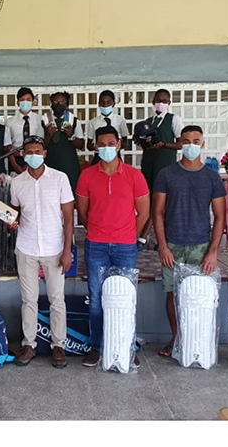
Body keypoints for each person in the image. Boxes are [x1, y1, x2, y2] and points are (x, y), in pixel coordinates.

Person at [76, 126, 150, 367]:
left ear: (119, 145)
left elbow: (144, 211)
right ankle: (96, 346)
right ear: (95, 146)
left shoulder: (134, 175)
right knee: (96, 298)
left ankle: (126, 347)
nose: (106, 148)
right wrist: (98, 229)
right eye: (101, 144)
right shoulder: (87, 175)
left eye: (111, 143)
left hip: (125, 247)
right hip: (96, 244)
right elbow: (83, 212)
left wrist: (130, 233)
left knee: (124, 298)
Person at [151, 125, 226, 358]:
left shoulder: (212, 178)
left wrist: (213, 251)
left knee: (198, 295)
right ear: (179, 144)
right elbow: (158, 213)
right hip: (172, 245)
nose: (191, 145)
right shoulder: (166, 174)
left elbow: (221, 216)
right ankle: (177, 339)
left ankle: (197, 340)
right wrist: (162, 246)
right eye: (186, 141)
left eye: (196, 140)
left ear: (202, 144)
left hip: (201, 246)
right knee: (172, 295)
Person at [8, 136, 74, 368]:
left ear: (45, 153)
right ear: (23, 155)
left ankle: (59, 347)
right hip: (26, 247)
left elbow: (68, 219)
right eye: (29, 152)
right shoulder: (17, 183)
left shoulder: (60, 179)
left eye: (38, 151)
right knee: (29, 300)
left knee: (57, 299)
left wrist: (67, 251)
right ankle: (29, 345)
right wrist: (12, 221)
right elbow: (15, 213)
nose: (34, 155)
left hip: (54, 248)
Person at [138, 89, 183, 251]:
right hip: (149, 163)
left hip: (165, 163)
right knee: (149, 199)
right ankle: (148, 237)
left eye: (164, 101)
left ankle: (148, 238)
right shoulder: (149, 121)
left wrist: (164, 145)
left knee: (162, 203)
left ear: (169, 103)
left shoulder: (173, 119)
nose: (161, 103)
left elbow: (181, 144)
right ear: (152, 101)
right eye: (158, 100)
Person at [42, 91, 84, 193]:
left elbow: (81, 145)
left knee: (70, 192)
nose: (58, 105)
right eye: (55, 102)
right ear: (51, 104)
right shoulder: (44, 120)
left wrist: (71, 136)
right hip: (51, 163)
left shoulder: (73, 120)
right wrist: (49, 135)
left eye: (62, 102)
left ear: (67, 105)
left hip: (69, 164)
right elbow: (40, 145)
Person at [6, 87, 44, 174]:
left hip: (35, 159)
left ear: (33, 102)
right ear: (17, 103)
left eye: (28, 99)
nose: (25, 102)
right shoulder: (10, 122)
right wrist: (15, 166)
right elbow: (7, 146)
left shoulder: (40, 120)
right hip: (16, 160)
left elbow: (42, 142)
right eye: (22, 100)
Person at [86, 90, 128, 165]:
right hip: (99, 155)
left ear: (113, 104)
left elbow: (125, 142)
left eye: (108, 102)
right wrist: (98, 147)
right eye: (102, 102)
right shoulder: (93, 122)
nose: (105, 105)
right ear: (99, 104)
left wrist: (113, 147)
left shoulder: (120, 120)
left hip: (115, 155)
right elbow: (88, 145)